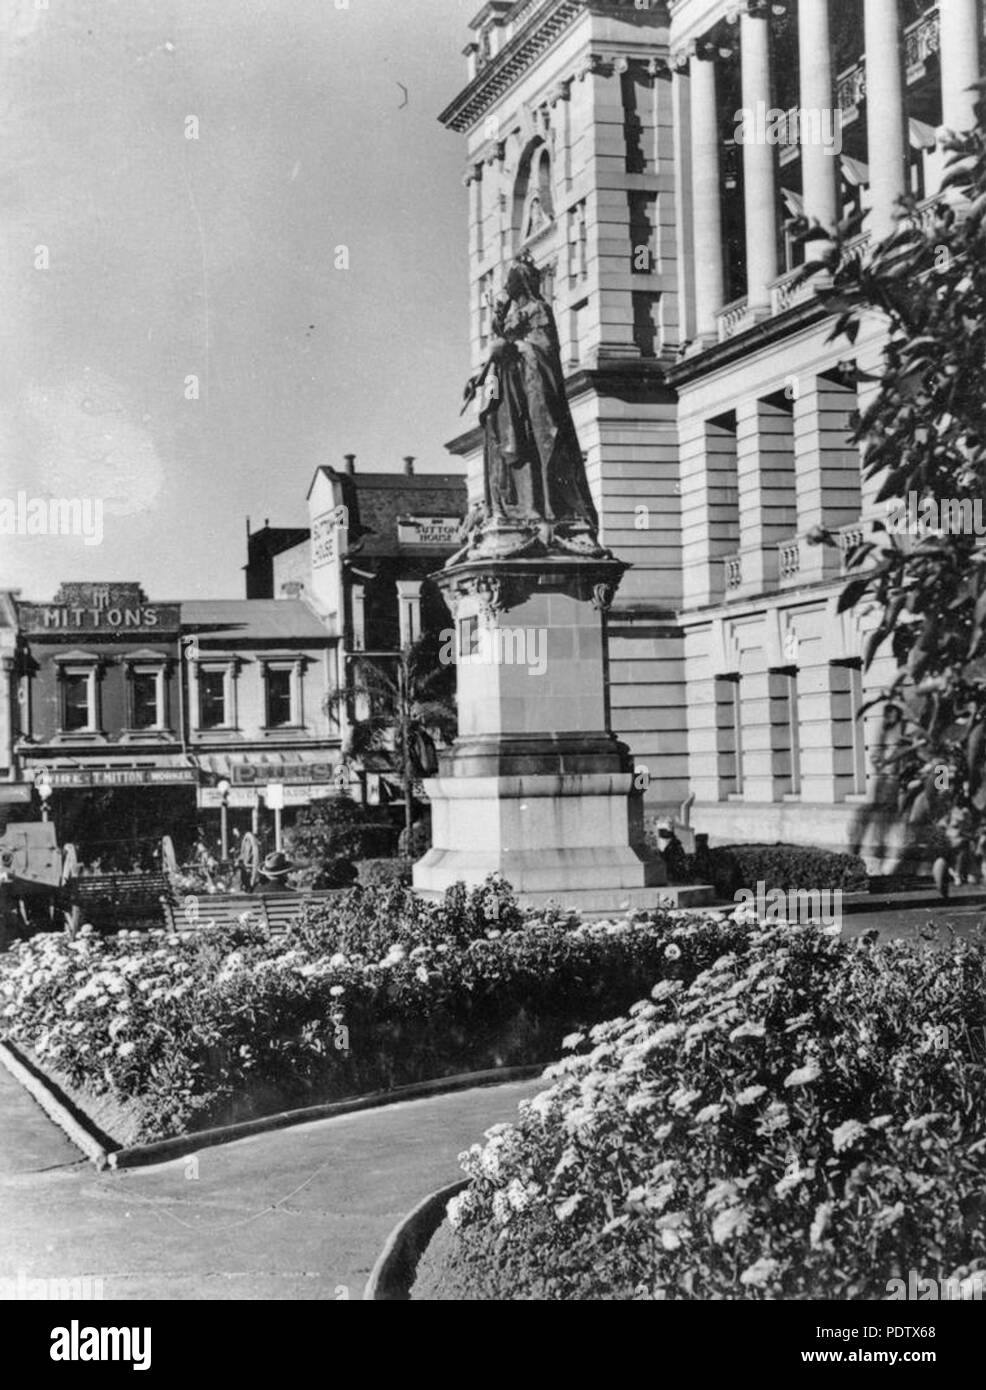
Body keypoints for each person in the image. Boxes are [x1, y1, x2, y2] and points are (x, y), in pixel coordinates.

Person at [455, 252, 607, 562]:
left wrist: (512, 347)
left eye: (510, 281)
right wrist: (479, 381)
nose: (506, 288)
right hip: (507, 399)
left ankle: (539, 509)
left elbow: (544, 353)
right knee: (504, 449)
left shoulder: (539, 310)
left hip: (531, 400)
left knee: (534, 448)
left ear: (520, 283)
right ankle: (513, 507)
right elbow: (498, 360)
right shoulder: (510, 318)